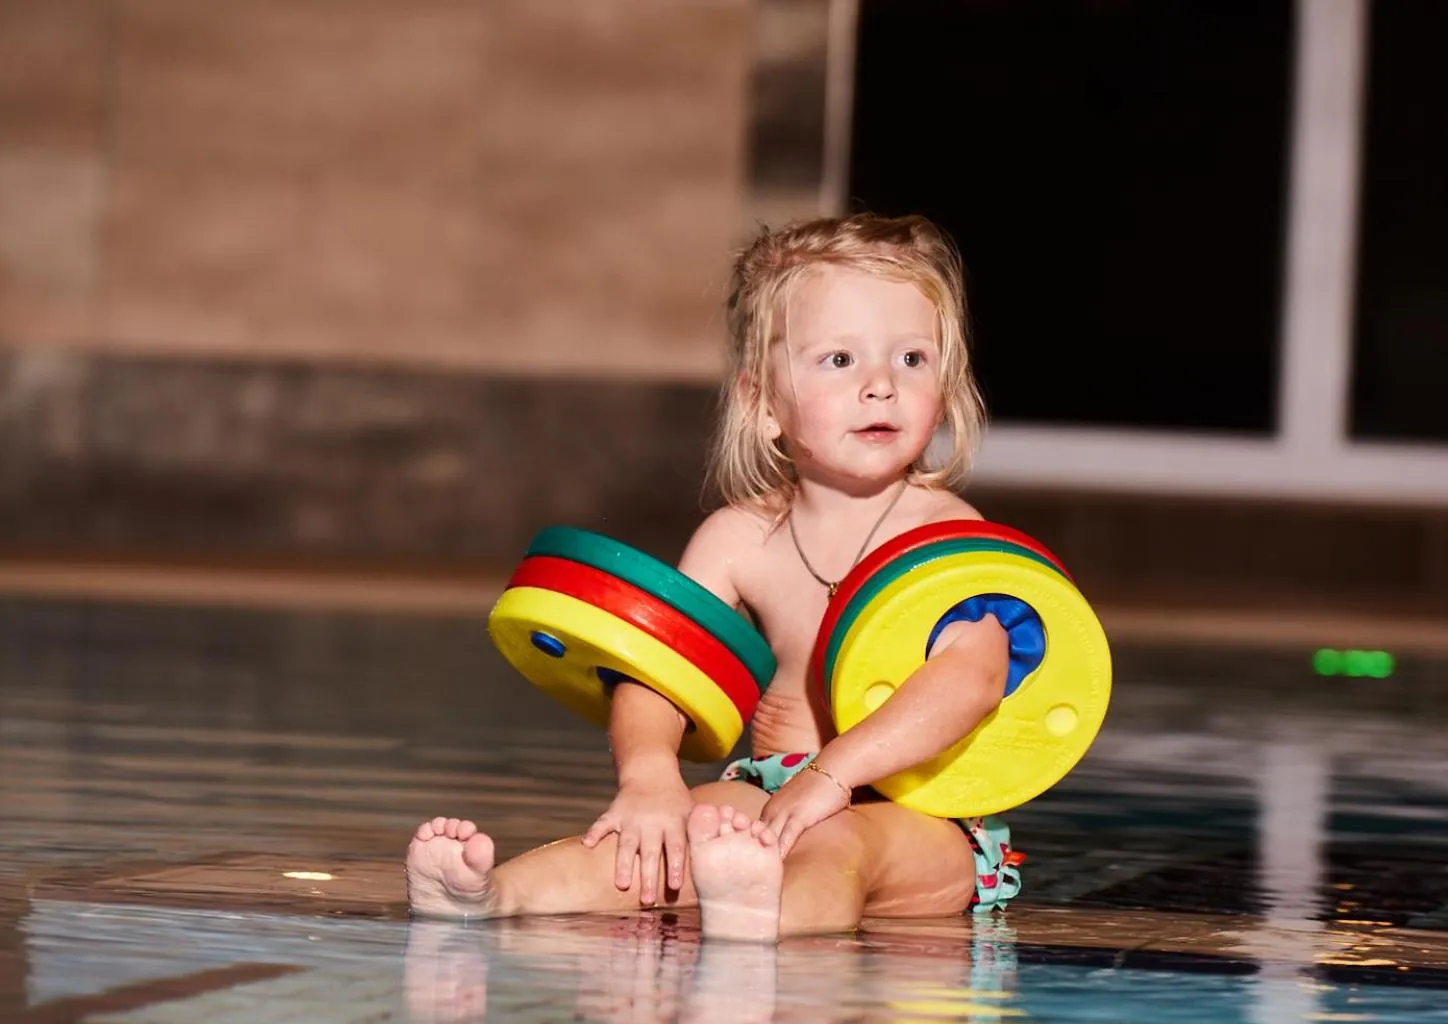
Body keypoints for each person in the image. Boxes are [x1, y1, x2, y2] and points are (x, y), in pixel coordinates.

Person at [405, 212, 1024, 942]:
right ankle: (492, 894)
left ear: (946, 386)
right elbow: (658, 672)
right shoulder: (740, 540)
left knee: (842, 847)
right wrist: (649, 778)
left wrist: (829, 778)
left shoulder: (951, 539)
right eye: (839, 360)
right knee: (661, 839)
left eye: (911, 360)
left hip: (921, 816)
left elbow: (967, 682)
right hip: (769, 791)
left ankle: (765, 911)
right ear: (763, 404)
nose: (881, 387)